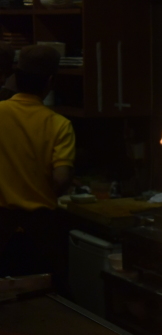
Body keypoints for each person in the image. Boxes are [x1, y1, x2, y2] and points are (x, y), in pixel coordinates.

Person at [0, 45, 75, 294]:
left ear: (16, 77)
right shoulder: (59, 125)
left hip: (3, 227)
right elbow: (61, 178)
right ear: (50, 81)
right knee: (47, 304)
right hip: (40, 232)